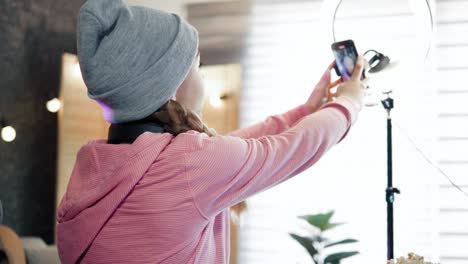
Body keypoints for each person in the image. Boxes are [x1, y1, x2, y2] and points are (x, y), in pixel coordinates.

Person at [56, 0, 365, 263]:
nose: (202, 79)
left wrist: (309, 108)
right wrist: (350, 102)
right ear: (172, 87)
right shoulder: (191, 165)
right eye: (198, 67)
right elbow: (292, 147)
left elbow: (238, 146)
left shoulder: (92, 165)